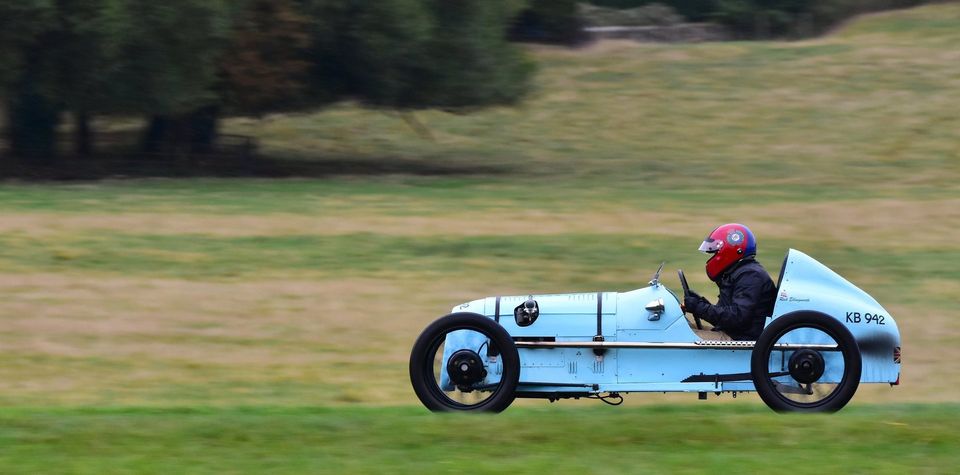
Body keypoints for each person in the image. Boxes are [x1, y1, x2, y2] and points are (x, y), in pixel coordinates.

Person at [683, 223, 777, 341]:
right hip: (734, 334)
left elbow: (737, 317)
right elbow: (725, 318)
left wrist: (699, 307)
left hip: (741, 341)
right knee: (681, 328)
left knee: (676, 336)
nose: (714, 257)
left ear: (730, 250)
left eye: (715, 252)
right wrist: (700, 303)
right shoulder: (739, 272)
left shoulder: (751, 276)